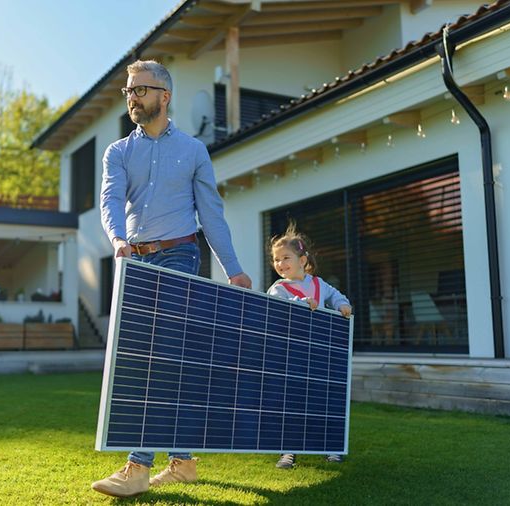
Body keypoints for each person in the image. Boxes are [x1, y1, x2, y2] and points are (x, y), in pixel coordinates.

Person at [92, 59, 253, 498]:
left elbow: (211, 215)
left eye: (140, 90)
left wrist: (233, 269)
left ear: (164, 96)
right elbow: (109, 200)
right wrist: (118, 240)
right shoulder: (119, 152)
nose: (131, 97)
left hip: (181, 255)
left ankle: (138, 466)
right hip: (137, 261)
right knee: (159, 359)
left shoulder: (195, 151)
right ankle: (181, 462)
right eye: (128, 91)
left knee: (162, 357)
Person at [266, 221, 352, 469]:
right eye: (276, 259)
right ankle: (288, 451)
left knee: (324, 400)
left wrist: (341, 305)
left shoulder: (319, 284)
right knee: (291, 402)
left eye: (286, 257)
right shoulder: (278, 289)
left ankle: (331, 447)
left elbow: (336, 296)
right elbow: (280, 308)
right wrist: (301, 300)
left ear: (302, 260)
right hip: (292, 356)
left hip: (319, 355)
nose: (280, 264)